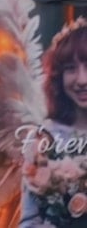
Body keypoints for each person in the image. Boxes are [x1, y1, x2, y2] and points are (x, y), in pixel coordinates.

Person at [18, 18, 87, 227]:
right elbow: (29, 221)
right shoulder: (42, 139)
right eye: (70, 68)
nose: (82, 79)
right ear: (57, 76)